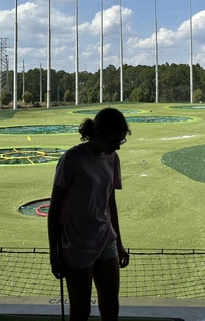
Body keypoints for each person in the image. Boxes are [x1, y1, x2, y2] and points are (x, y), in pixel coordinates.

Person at [48, 107, 131, 321]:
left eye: (120, 143)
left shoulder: (112, 159)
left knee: (111, 306)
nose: (117, 148)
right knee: (81, 310)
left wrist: (119, 243)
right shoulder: (72, 159)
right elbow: (55, 208)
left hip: (106, 239)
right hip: (76, 244)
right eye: (114, 142)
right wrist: (54, 254)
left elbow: (110, 203)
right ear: (99, 134)